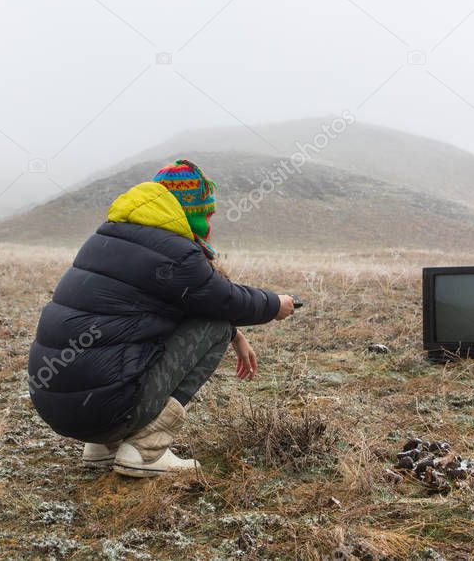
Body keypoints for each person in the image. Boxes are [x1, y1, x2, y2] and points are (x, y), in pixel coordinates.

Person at [27, 159, 297, 478]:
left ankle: (104, 447)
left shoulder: (107, 237)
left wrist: (237, 336)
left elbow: (188, 301)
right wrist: (274, 305)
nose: (208, 224)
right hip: (105, 410)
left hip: (57, 407)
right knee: (217, 326)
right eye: (206, 214)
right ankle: (144, 450)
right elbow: (225, 302)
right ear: (188, 210)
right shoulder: (175, 252)